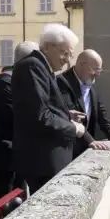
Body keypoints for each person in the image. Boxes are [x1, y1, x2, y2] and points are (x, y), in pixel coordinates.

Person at [12, 24, 85, 194]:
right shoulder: (33, 66)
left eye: (70, 55)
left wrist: (66, 115)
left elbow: (45, 106)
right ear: (48, 46)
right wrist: (73, 128)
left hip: (48, 161)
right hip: (43, 162)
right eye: (65, 53)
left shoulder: (43, 67)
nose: (67, 60)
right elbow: (40, 116)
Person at [0, 41, 37, 202]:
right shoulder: (5, 82)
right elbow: (16, 116)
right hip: (3, 155)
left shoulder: (16, 80)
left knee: (17, 199)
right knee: (2, 201)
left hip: (15, 153)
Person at [57, 49, 110, 158]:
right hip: (69, 150)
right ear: (82, 64)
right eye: (95, 70)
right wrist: (90, 141)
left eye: (100, 70)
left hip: (84, 149)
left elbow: (100, 110)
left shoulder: (89, 82)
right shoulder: (62, 82)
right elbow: (74, 117)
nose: (97, 75)